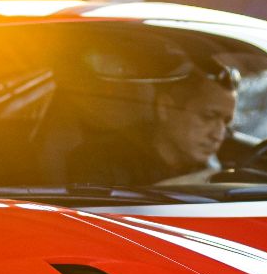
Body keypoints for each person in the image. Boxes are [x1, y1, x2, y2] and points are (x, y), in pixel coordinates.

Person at [67, 69, 237, 187]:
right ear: (164, 107)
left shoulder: (226, 168)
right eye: (208, 117)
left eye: (226, 122)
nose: (218, 135)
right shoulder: (100, 161)